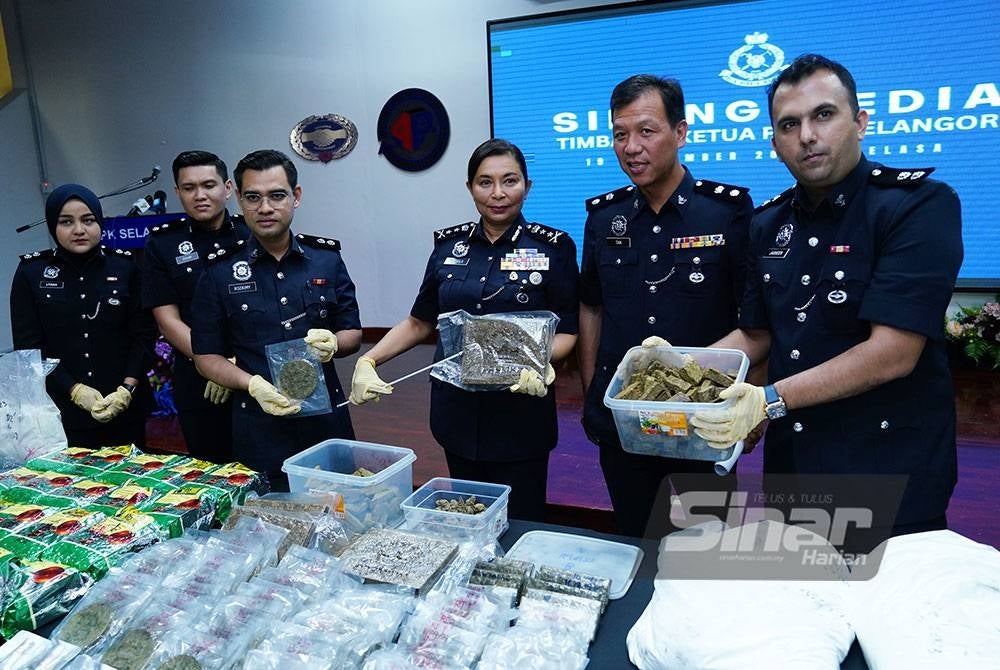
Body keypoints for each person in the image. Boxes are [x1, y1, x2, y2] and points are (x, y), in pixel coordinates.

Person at [690, 54, 963, 539]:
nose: (807, 136)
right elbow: (757, 336)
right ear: (775, 144)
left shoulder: (916, 205)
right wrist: (674, 370)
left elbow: (893, 353)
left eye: (823, 115)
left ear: (859, 122)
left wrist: (767, 400)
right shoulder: (767, 222)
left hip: (887, 476)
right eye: (789, 124)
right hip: (793, 472)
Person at [349, 139, 579, 522]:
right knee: (470, 515)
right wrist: (369, 361)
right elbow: (419, 321)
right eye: (485, 182)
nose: (498, 193)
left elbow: (568, 331)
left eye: (510, 181)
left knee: (521, 520)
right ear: (470, 187)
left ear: (528, 186)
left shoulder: (553, 247)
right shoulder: (448, 247)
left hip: (520, 413)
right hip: (456, 413)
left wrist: (541, 362)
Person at [578, 75, 753, 537]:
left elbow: (754, 318)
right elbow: (592, 309)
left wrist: (753, 404)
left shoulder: (727, 212)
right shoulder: (602, 217)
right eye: (620, 134)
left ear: (680, 132)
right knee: (635, 537)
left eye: (646, 131)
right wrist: (595, 394)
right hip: (625, 422)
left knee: (709, 548)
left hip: (703, 422)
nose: (631, 147)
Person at [190, 149, 361, 490]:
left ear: (295, 197)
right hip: (259, 424)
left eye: (277, 195)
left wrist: (335, 344)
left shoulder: (326, 261)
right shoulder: (219, 272)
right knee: (270, 523)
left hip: (326, 421)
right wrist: (249, 383)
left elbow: (352, 333)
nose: (265, 208)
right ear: (238, 199)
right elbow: (205, 357)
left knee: (340, 512)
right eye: (253, 197)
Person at [11, 184, 154, 448]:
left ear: (99, 222)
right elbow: (28, 347)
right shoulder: (31, 273)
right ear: (53, 225)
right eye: (66, 222)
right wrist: (73, 390)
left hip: (124, 406)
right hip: (60, 412)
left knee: (132, 486)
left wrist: (127, 388)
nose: (79, 230)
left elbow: (143, 335)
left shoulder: (125, 267)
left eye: (88, 220)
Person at [142, 151, 249, 463]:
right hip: (198, 380)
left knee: (265, 469)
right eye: (189, 188)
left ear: (227, 188)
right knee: (213, 471)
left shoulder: (253, 233)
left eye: (209, 185)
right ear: (177, 193)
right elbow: (167, 320)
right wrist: (215, 364)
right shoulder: (162, 244)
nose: (200, 195)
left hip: (254, 371)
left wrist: (234, 367)